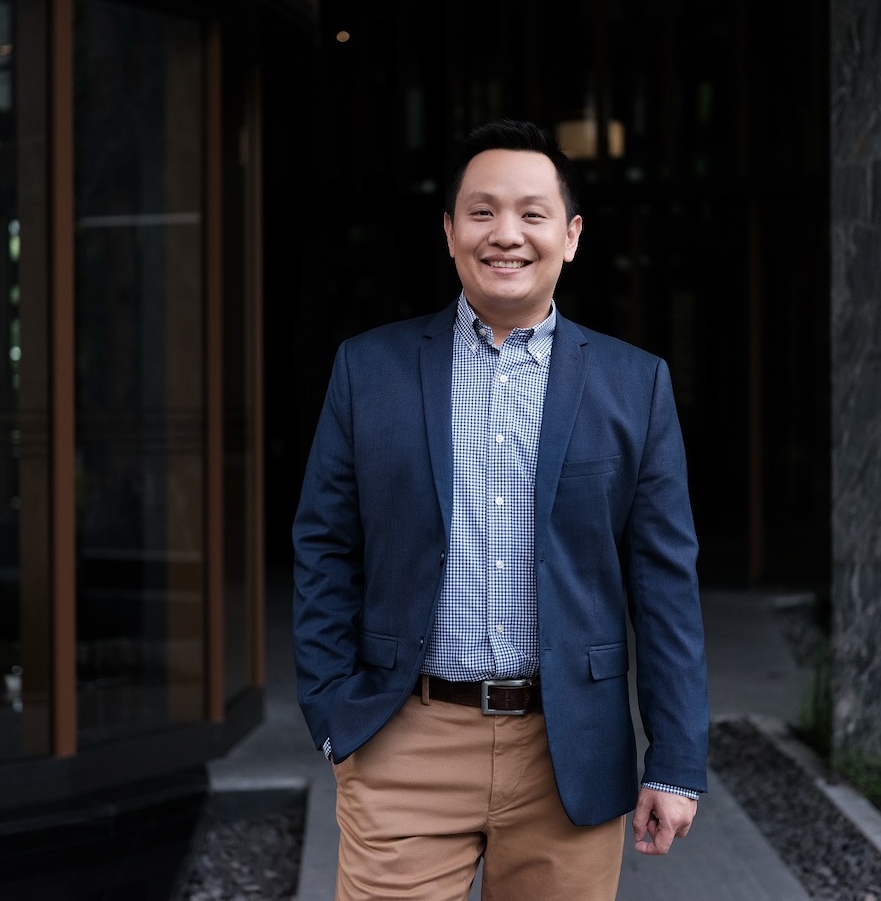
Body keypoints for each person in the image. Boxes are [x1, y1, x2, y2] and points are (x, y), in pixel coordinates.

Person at [292, 118, 708, 901]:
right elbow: (324, 546)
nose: (506, 234)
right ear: (450, 232)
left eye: (531, 213)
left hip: (571, 749)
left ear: (570, 236)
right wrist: (330, 712)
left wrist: (677, 762)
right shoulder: (369, 369)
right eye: (481, 212)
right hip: (404, 741)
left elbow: (665, 584)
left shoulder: (634, 385)